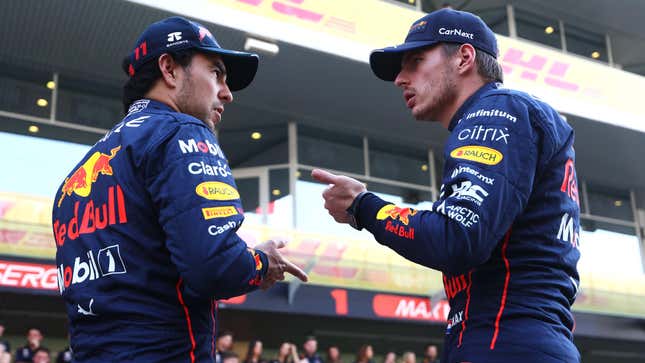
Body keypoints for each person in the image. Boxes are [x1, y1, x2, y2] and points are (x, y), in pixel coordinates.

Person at [313, 8, 580, 363]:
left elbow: (457, 236)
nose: (400, 79)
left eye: (416, 61)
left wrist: (363, 206)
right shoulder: (509, 115)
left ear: (464, 58)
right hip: (515, 337)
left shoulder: (496, 111)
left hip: (505, 341)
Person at [52, 16, 307, 362]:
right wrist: (261, 263)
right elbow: (214, 265)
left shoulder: (73, 180)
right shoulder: (181, 132)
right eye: (216, 72)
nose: (227, 93)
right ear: (169, 69)